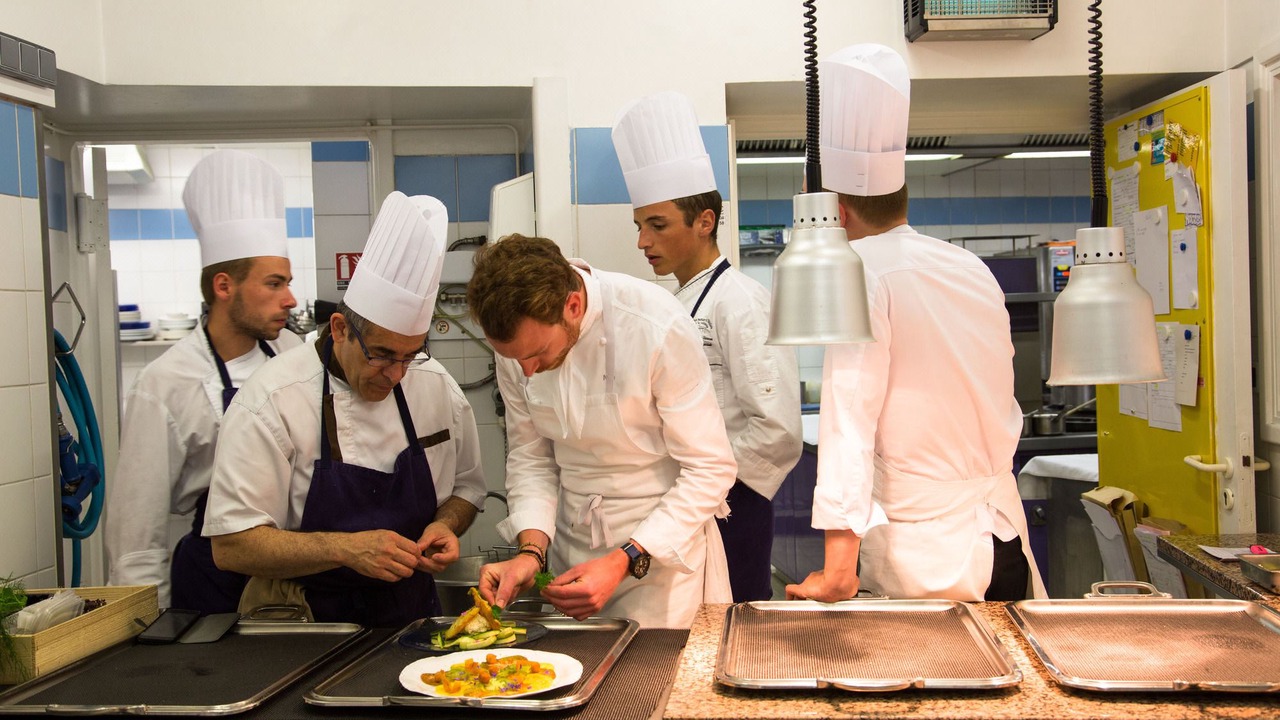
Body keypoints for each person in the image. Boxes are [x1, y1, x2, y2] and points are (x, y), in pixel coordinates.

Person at [784, 44, 1046, 603]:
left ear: (838, 212)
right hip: (1002, 538)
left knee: (932, 692)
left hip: (926, 560)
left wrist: (836, 569)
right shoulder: (971, 268)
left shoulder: (859, 274)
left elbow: (848, 423)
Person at [203, 192, 486, 627]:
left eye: (411, 355)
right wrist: (344, 549)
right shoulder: (271, 401)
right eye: (381, 355)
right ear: (339, 329)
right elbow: (232, 546)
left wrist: (446, 525)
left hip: (409, 618)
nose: (395, 374)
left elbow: (467, 490)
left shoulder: (436, 387)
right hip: (302, 622)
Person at [467, 234, 736, 628]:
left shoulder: (654, 324)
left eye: (537, 354)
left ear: (572, 306)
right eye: (515, 359)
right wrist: (531, 553)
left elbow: (710, 469)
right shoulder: (518, 343)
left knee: (651, 684)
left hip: (660, 563)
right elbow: (532, 456)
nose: (526, 370)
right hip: (569, 559)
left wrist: (624, 559)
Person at [612, 91, 802, 602]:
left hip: (732, 504)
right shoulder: (678, 300)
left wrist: (707, 484)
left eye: (657, 225)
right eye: (639, 226)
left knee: (732, 621)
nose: (642, 242)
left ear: (705, 221)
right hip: (692, 501)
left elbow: (779, 429)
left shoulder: (741, 302)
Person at [106, 150, 302, 612]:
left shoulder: (295, 356)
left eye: (288, 282)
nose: (290, 298)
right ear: (223, 286)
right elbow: (138, 532)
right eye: (274, 284)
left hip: (294, 573)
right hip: (210, 584)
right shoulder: (165, 384)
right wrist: (149, 629)